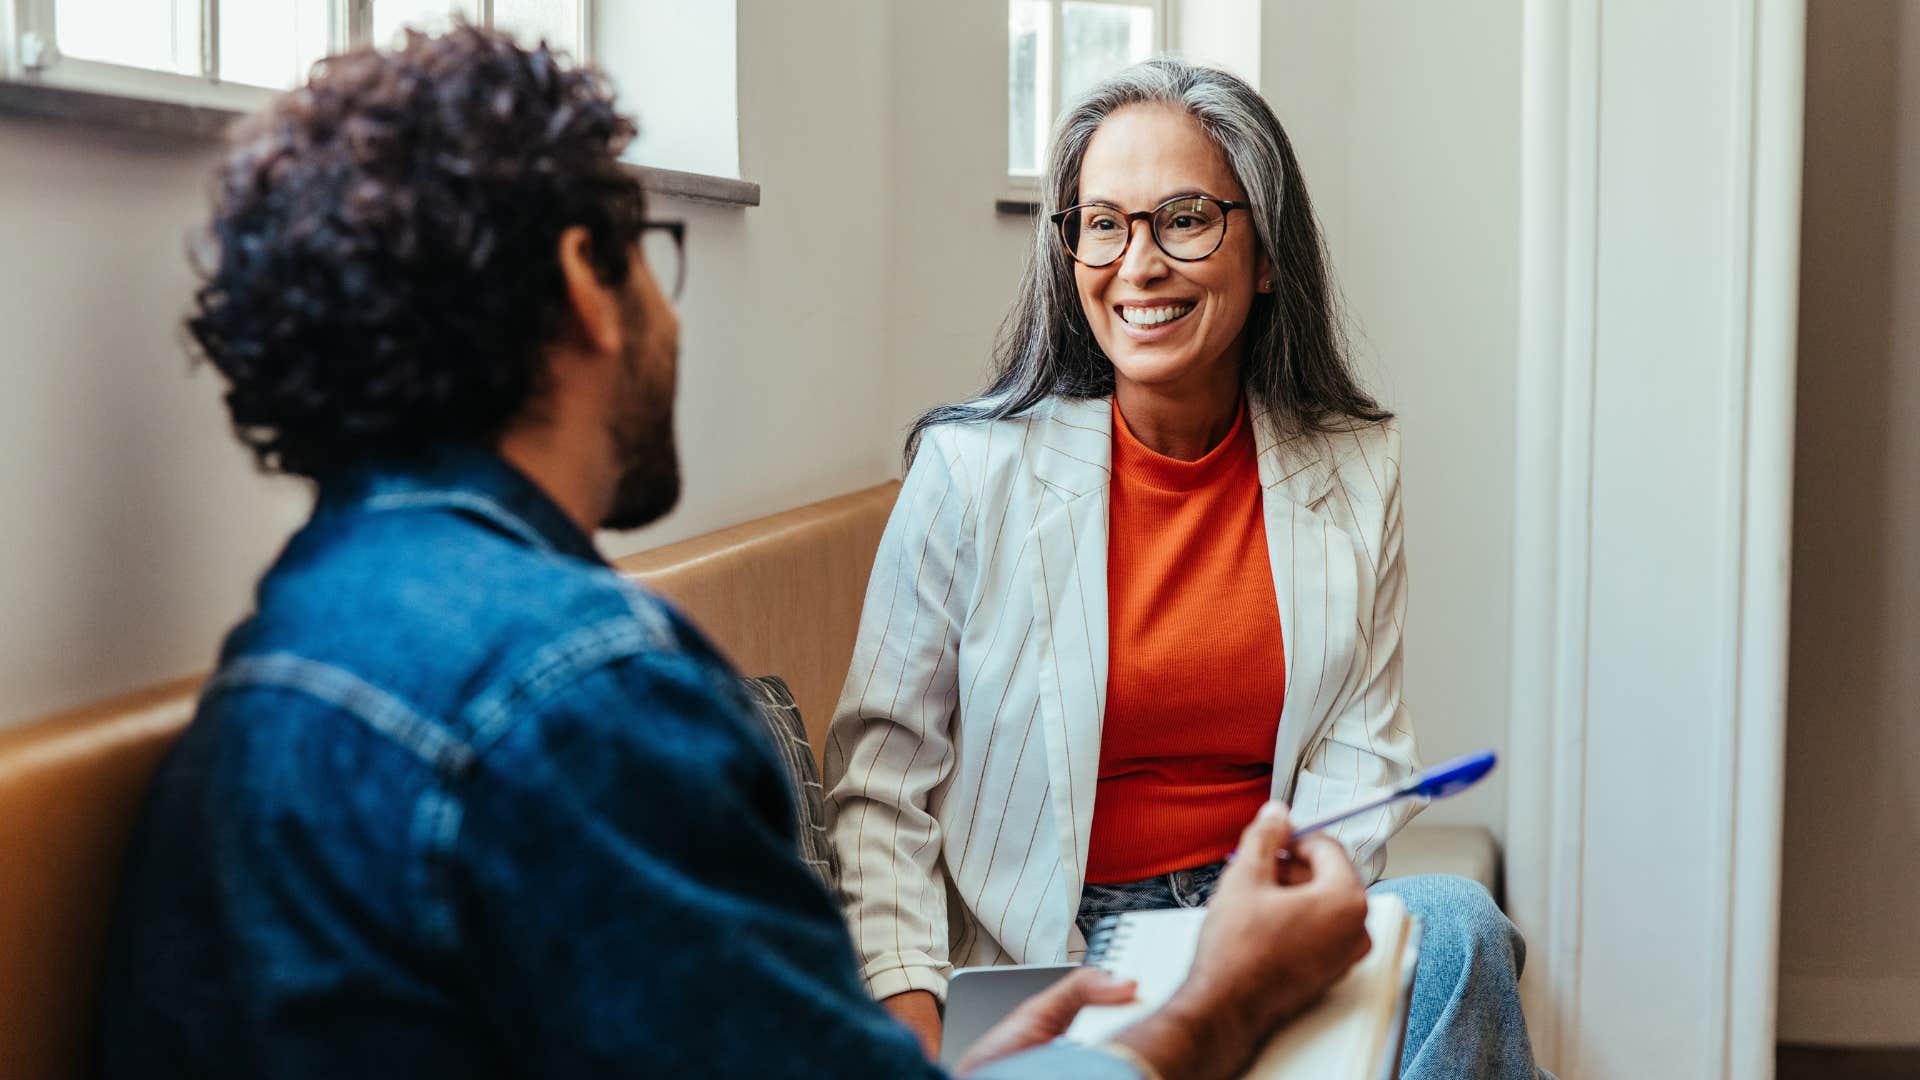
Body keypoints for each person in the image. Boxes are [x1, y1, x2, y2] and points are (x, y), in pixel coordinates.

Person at [94, 25, 1379, 1080]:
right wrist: (1212, 1008)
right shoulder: (584, 703)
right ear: (587, 287)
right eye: (656, 257)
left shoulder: (287, 645)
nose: (668, 312)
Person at [824, 59, 1547, 1079]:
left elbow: (1361, 750)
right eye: (1104, 223)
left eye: (1185, 218)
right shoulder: (970, 469)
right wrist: (911, 1028)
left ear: (1264, 255)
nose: (1139, 262)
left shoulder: (1353, 465)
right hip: (1067, 958)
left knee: (1459, 927)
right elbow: (880, 784)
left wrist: (1272, 944)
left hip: (1264, 909)